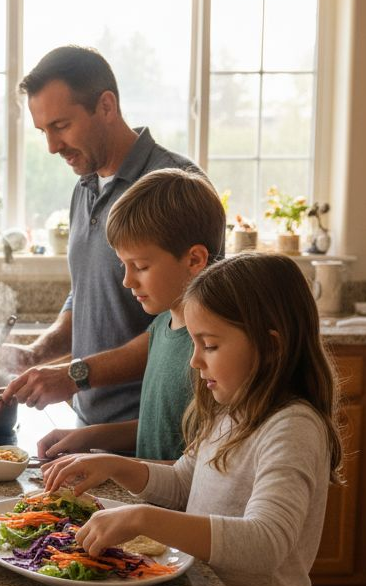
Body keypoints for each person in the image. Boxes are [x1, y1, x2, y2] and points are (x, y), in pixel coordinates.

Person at [41, 253, 341, 586]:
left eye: (211, 345)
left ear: (272, 346)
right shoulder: (231, 409)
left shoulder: (291, 426)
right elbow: (183, 481)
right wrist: (111, 464)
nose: (195, 362)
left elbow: (267, 541)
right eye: (195, 344)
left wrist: (143, 519)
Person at [0, 45, 203, 425]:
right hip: (90, 427)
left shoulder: (175, 187)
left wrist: (74, 376)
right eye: (43, 131)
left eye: (61, 126)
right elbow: (88, 293)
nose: (52, 147)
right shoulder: (85, 188)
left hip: (154, 433)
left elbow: (192, 323)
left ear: (106, 106)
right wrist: (36, 353)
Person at [36, 168, 225, 462]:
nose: (127, 281)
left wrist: (114, 464)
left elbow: (200, 464)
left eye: (140, 266)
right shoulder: (163, 325)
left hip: (176, 508)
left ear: (194, 259)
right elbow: (159, 430)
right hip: (151, 500)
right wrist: (86, 437)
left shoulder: (211, 349)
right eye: (124, 265)